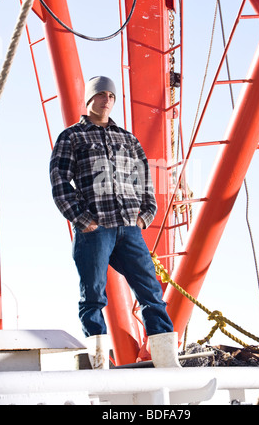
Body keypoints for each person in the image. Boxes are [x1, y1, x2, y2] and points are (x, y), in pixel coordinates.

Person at [49, 76, 180, 368]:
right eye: (101, 94)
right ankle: (99, 365)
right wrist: (83, 220)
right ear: (89, 99)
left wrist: (145, 216)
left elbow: (145, 179)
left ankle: (167, 360)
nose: (107, 100)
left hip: (129, 229)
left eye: (111, 95)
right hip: (95, 230)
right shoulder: (71, 137)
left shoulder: (127, 138)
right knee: (93, 295)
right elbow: (59, 182)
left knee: (151, 292)